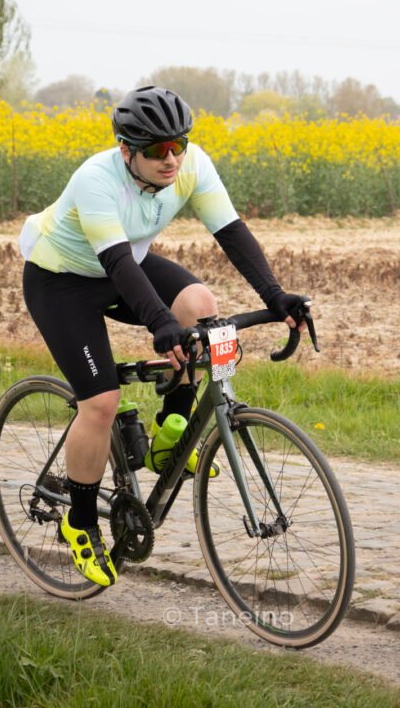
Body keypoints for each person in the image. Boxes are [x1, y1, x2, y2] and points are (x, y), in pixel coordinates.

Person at [19, 85, 310, 589]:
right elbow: (116, 262)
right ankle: (80, 522)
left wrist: (276, 296)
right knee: (101, 401)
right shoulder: (96, 179)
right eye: (157, 149)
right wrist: (159, 323)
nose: (171, 158)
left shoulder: (192, 165)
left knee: (201, 308)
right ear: (126, 150)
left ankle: (171, 431)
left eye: (178, 144)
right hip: (62, 280)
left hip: (123, 265)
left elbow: (231, 233)